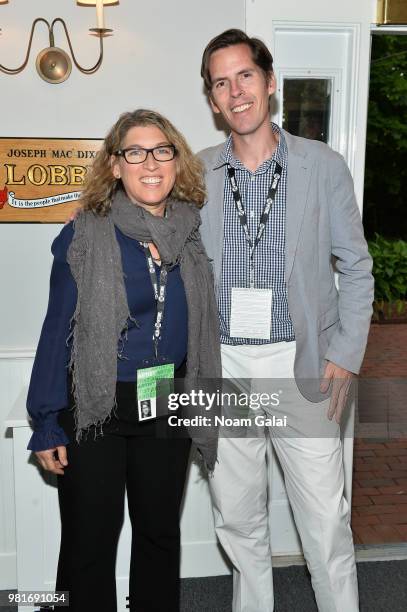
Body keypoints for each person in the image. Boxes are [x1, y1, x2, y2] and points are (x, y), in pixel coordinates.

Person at [198, 29, 374, 612]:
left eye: (244, 75)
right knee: (238, 521)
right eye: (221, 83)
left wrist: (345, 355)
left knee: (325, 522)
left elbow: (357, 267)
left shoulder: (323, 165)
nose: (235, 91)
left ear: (269, 83)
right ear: (213, 98)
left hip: (301, 364)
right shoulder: (195, 176)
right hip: (223, 368)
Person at [26, 109, 221, 612]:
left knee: (159, 532)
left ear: (177, 161)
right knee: (90, 539)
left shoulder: (189, 231)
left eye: (162, 150)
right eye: (135, 152)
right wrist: (46, 420)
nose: (150, 163)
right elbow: (57, 330)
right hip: (98, 403)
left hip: (167, 399)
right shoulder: (86, 234)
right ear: (115, 166)